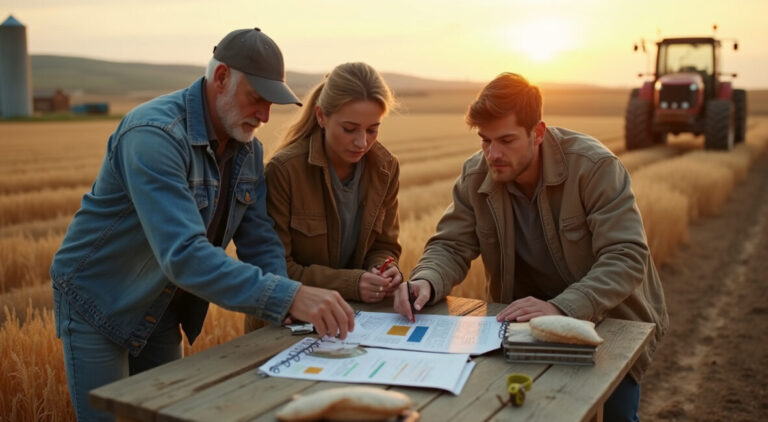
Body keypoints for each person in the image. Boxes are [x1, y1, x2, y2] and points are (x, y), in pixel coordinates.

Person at [50, 28, 355, 421]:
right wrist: (291, 296)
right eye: (257, 98)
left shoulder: (247, 148)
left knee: (170, 413)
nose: (264, 116)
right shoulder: (154, 135)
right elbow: (184, 255)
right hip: (99, 300)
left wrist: (288, 312)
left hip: (160, 306)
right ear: (222, 77)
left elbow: (260, 241)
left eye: (271, 103)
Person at [393, 73, 668, 422]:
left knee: (614, 417)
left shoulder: (594, 167)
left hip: (607, 319)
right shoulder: (476, 175)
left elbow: (626, 256)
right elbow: (450, 244)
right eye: (485, 140)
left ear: (537, 133)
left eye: (506, 140)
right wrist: (425, 281)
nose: (493, 154)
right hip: (520, 325)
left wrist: (561, 307)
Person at [245, 62, 401, 332]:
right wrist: (352, 283)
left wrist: (384, 270)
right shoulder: (285, 171)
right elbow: (275, 271)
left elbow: (385, 245)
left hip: (353, 324)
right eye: (350, 129)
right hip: (285, 328)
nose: (362, 142)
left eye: (372, 129)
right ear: (321, 117)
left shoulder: (386, 168)